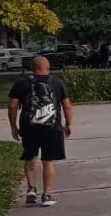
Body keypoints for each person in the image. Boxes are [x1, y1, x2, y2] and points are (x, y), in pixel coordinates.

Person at [8, 56, 73, 207]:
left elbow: (12, 106)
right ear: (48, 67)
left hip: (29, 127)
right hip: (52, 127)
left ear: (32, 68)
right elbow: (67, 106)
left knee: (30, 157)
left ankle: (31, 189)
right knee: (48, 160)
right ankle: (47, 195)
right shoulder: (57, 83)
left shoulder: (22, 83)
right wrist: (69, 124)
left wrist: (13, 126)